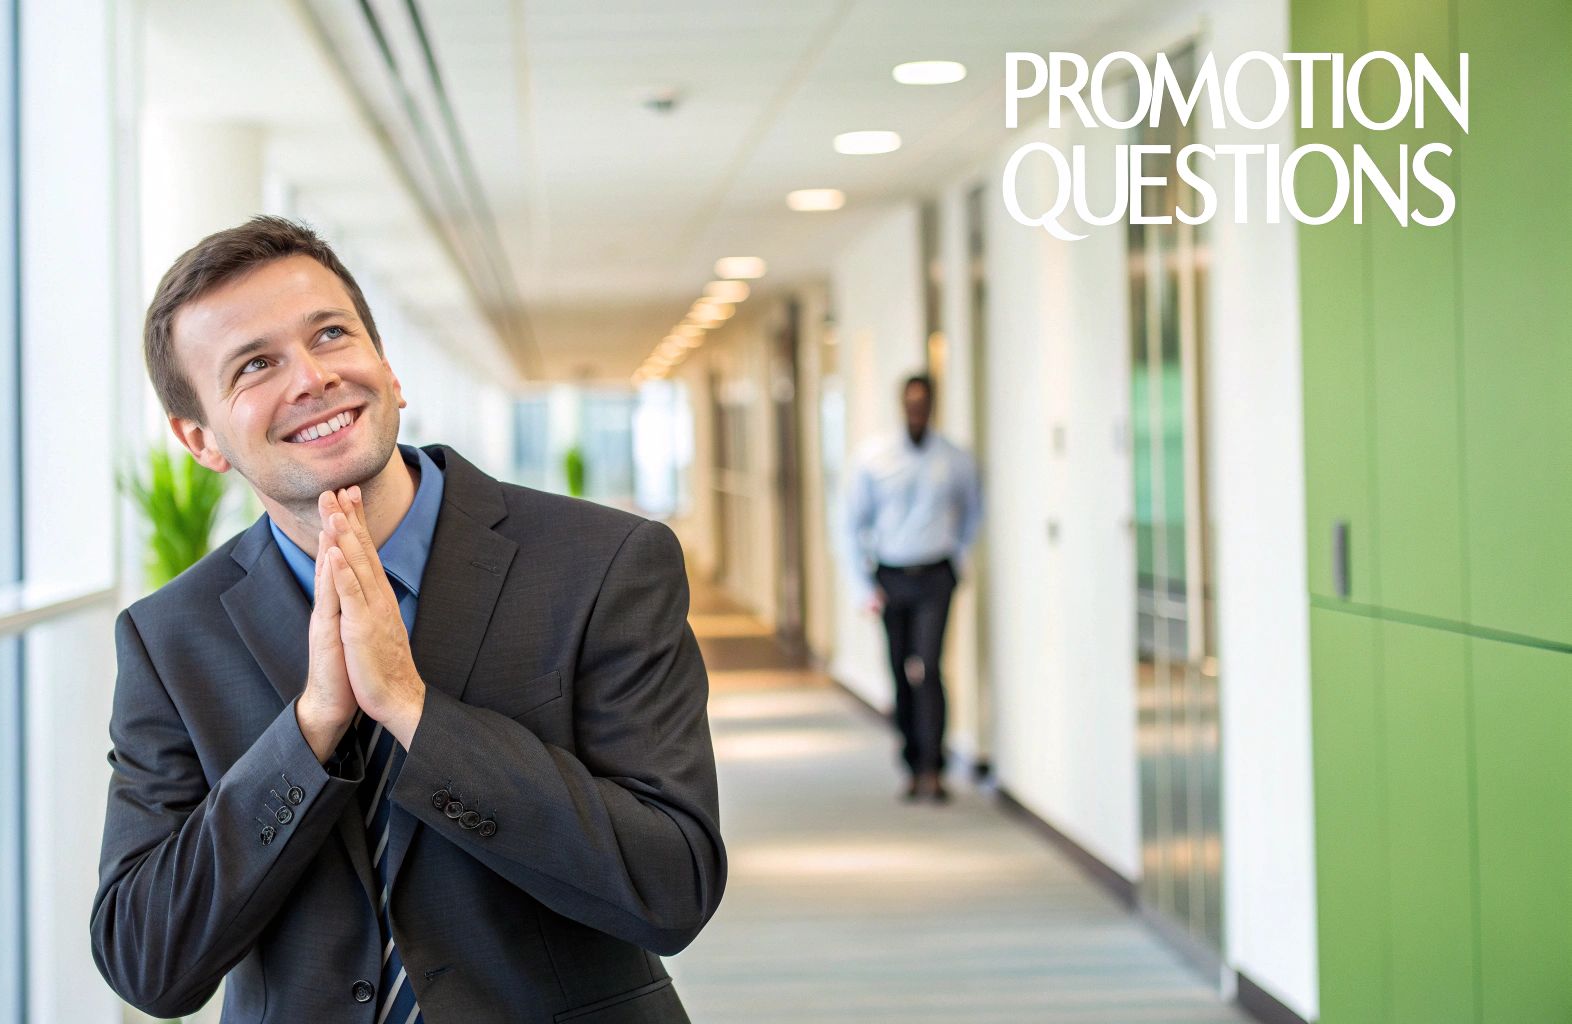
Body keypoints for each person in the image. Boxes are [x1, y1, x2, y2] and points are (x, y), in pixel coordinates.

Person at [90, 216, 724, 1023]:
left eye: (330, 334)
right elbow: (147, 961)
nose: (313, 378)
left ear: (388, 370)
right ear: (200, 439)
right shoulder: (171, 637)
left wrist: (415, 714)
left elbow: (673, 887)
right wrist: (313, 728)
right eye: (256, 365)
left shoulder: (601, 565)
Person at [846, 373, 982, 804]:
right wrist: (862, 586)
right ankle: (909, 760)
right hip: (891, 576)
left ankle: (932, 768)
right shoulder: (875, 458)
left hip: (936, 574)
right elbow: (851, 525)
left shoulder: (955, 459)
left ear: (934, 405)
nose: (917, 410)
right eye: (911, 403)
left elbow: (973, 511)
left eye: (924, 402)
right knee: (900, 668)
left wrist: (958, 556)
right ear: (901, 405)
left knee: (929, 666)